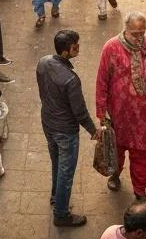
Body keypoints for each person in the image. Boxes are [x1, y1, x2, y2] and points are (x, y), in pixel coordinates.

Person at [95, 12, 146, 201]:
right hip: (119, 114)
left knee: (144, 153)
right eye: (135, 34)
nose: (139, 38)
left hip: (145, 113)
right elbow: (102, 81)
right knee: (116, 148)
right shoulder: (110, 48)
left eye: (142, 33)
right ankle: (115, 173)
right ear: (125, 30)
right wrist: (101, 112)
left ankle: (140, 189)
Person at [36, 29, 99, 228]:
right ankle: (61, 214)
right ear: (65, 52)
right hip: (66, 130)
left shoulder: (43, 62)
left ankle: (56, 197)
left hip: (48, 122)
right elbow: (79, 112)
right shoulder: (71, 80)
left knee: (56, 162)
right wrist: (93, 130)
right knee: (66, 171)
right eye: (75, 46)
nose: (78, 48)